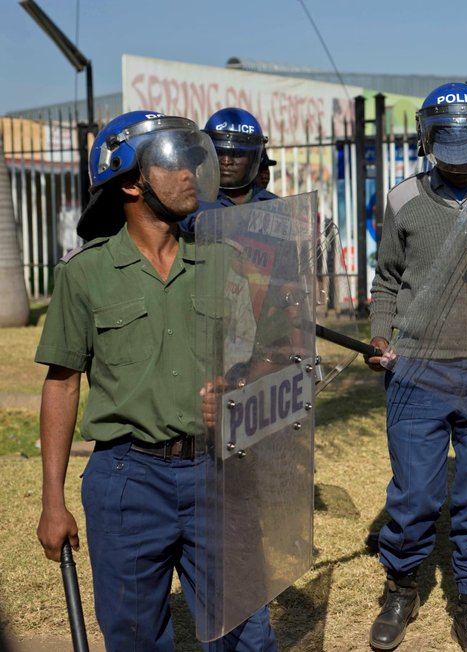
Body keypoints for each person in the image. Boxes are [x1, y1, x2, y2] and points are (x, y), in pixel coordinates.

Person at [34, 110, 278, 650]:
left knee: (247, 635)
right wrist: (53, 502)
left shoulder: (224, 264)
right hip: (127, 478)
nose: (191, 173)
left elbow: (260, 360)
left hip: (216, 474)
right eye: (172, 163)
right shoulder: (84, 273)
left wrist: (237, 391)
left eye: (194, 161)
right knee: (136, 637)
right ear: (130, 181)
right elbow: (61, 383)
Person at [364, 82, 467, 652]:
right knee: (414, 496)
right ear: (426, 141)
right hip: (417, 374)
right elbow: (387, 279)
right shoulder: (403, 198)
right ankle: (401, 587)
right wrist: (380, 334)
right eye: (447, 145)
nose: (460, 161)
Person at [180, 107, 277, 234]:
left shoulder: (274, 206)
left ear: (254, 158)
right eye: (219, 152)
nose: (226, 161)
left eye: (237, 153)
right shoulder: (189, 203)